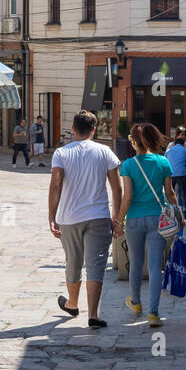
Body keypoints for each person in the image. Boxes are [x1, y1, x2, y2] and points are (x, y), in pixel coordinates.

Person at [48, 110, 123, 328]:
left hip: (69, 217)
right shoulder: (105, 151)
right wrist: (116, 217)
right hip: (98, 215)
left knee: (73, 261)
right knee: (96, 264)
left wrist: (52, 217)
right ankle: (93, 314)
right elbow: (116, 188)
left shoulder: (61, 153)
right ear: (93, 130)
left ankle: (72, 303)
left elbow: (56, 185)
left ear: (72, 129)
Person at [119, 122, 177, 328]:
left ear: (134, 142)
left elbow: (127, 197)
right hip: (157, 219)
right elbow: (170, 193)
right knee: (154, 267)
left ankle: (135, 303)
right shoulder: (163, 162)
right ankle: (153, 313)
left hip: (134, 219)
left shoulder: (128, 165)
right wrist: (179, 214)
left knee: (135, 263)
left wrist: (118, 220)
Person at [165, 129, 186, 221]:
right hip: (182, 174)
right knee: (185, 194)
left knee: (169, 194)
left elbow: (165, 163)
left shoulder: (168, 151)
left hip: (171, 175)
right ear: (183, 144)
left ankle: (169, 213)